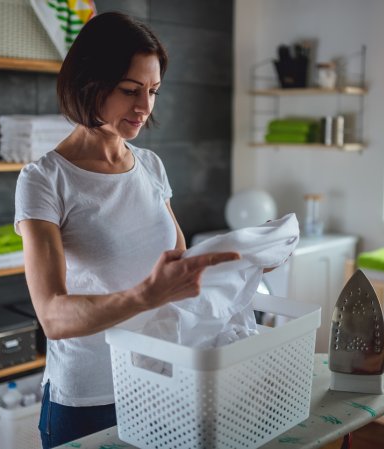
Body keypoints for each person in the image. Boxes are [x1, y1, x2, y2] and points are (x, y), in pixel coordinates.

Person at [14, 12, 239, 449]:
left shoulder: (150, 166)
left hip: (161, 380)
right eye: (129, 90)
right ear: (88, 83)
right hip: (88, 401)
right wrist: (144, 296)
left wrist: (244, 261)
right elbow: (53, 316)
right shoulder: (44, 180)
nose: (145, 107)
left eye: (153, 91)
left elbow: (177, 266)